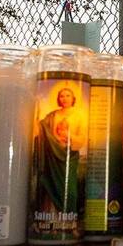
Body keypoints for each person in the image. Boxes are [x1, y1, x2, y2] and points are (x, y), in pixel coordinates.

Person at [35, 87, 85, 216]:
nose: (65, 98)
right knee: (51, 185)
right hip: (52, 156)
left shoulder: (79, 115)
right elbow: (42, 129)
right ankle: (52, 219)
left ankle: (69, 217)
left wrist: (69, 136)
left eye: (68, 95)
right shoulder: (52, 115)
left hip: (69, 155)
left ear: (73, 98)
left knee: (70, 188)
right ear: (58, 99)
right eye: (62, 96)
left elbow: (82, 138)